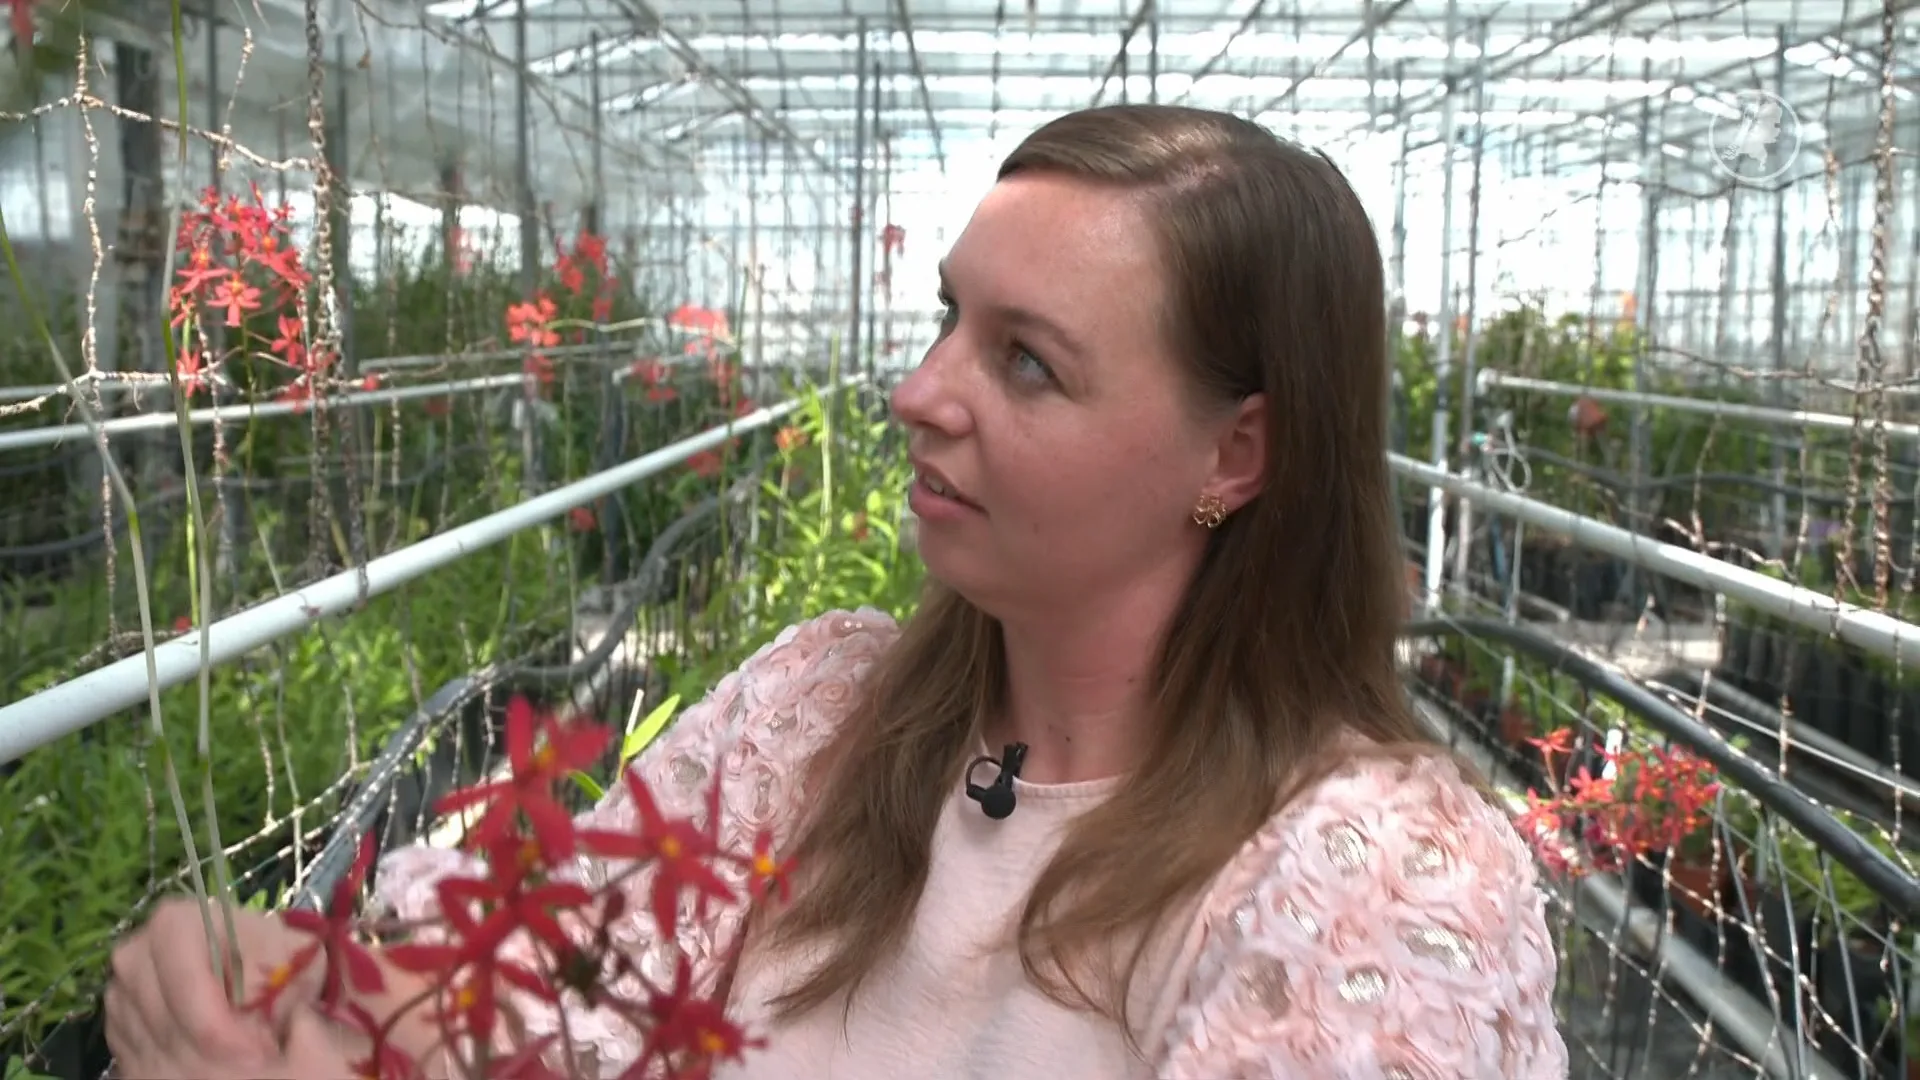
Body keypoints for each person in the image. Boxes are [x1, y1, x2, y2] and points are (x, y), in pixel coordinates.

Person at [105, 104, 1567, 1079]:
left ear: (1236, 451)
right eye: (948, 319)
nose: (919, 393)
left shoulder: (1368, 882)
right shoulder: (822, 717)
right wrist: (313, 994)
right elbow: (557, 996)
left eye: (1028, 361)